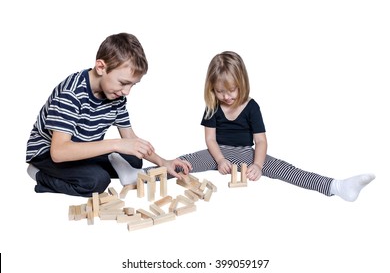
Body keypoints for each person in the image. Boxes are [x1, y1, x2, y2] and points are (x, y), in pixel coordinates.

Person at [108, 51, 375, 202]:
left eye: (231, 91)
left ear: (242, 83)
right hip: (217, 153)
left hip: (247, 155)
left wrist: (258, 165)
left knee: (284, 169)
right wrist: (221, 160)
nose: (226, 96)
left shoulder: (252, 107)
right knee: (182, 163)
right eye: (220, 91)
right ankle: (135, 176)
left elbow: (261, 141)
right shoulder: (212, 106)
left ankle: (336, 186)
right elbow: (210, 140)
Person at [26, 33, 191, 197]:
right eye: (123, 83)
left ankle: (87, 168)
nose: (126, 92)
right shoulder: (71, 94)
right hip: (48, 153)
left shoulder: (115, 95)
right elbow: (59, 152)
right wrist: (116, 145)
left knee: (135, 159)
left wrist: (163, 162)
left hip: (82, 148)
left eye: (133, 85)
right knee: (97, 181)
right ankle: (40, 175)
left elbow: (130, 138)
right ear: (101, 67)